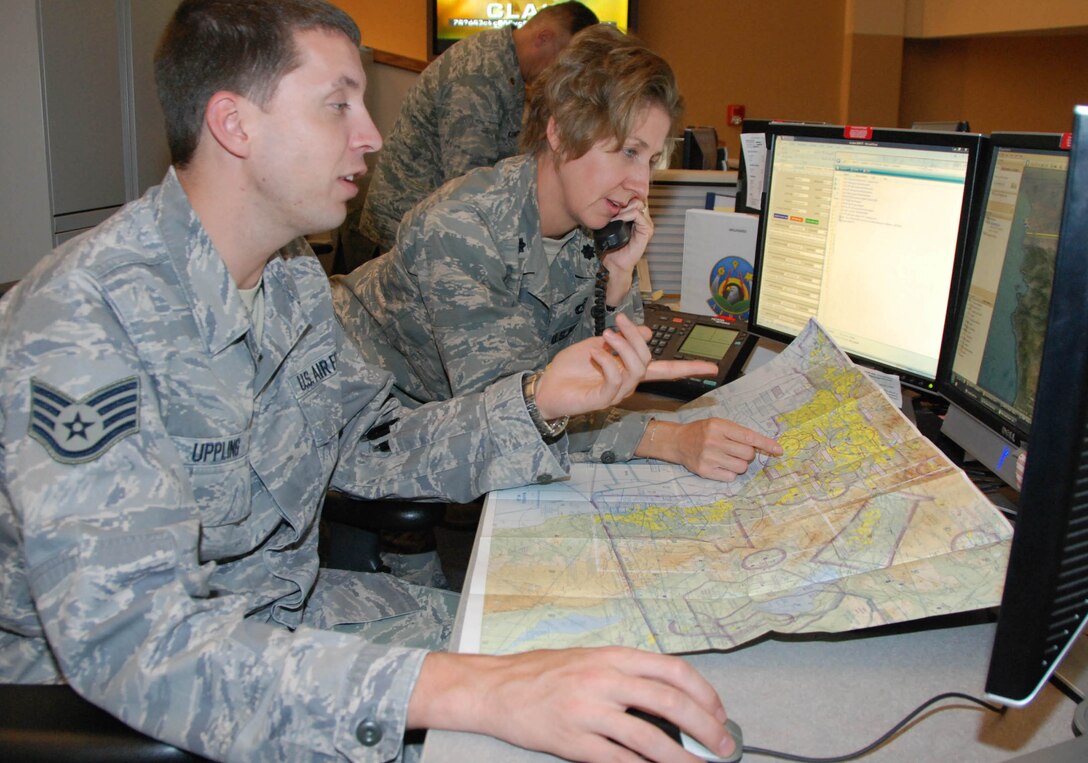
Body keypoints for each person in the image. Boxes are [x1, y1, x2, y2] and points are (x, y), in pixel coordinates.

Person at [0, 2, 739, 762]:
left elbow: (374, 441)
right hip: (125, 698)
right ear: (235, 125)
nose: (373, 135)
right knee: (512, 717)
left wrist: (534, 403)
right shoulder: (83, 324)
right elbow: (141, 648)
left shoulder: (289, 280)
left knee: (568, 648)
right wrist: (475, 691)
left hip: (280, 613)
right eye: (337, 105)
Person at [333, 25, 783, 483]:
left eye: (649, 161)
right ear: (561, 132)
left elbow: (590, 382)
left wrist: (619, 278)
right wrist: (668, 440)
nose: (642, 187)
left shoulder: (588, 228)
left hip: (430, 417)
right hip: (353, 416)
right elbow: (518, 413)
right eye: (628, 151)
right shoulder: (462, 229)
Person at [353, 1, 600, 261]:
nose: (564, 74)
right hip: (407, 234)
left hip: (435, 227)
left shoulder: (506, 65)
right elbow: (469, 183)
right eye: (565, 61)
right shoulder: (478, 72)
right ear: (544, 38)